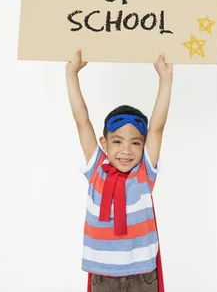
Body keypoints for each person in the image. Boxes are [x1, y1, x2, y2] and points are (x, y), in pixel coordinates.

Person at [65, 49, 173, 292]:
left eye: (135, 142)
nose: (126, 150)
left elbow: (157, 127)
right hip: (103, 276)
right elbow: (82, 121)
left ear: (143, 145)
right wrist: (71, 74)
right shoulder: (97, 170)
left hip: (142, 276)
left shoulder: (144, 173)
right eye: (117, 141)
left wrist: (165, 80)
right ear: (104, 143)